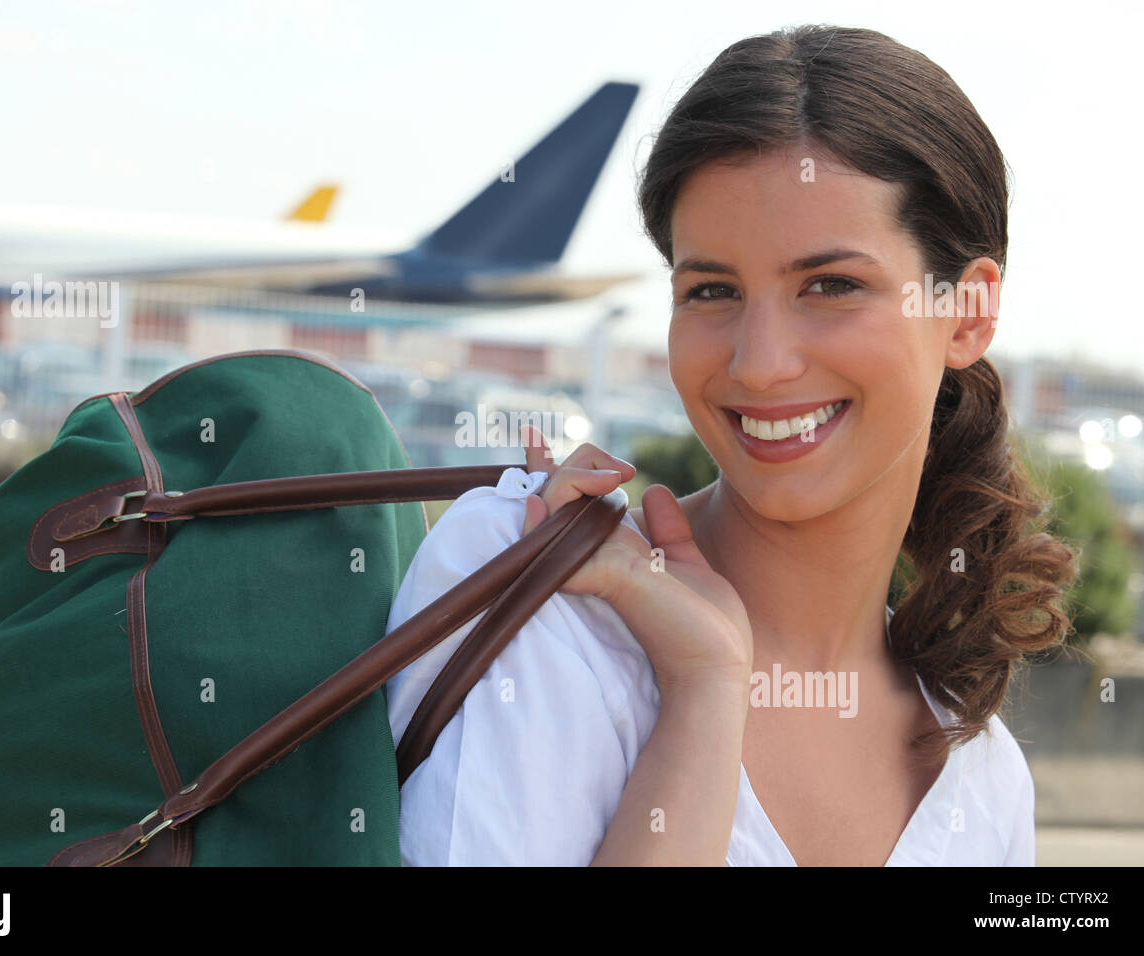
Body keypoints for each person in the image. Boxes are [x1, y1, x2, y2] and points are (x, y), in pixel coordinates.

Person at [383, 23, 1078, 866]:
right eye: (712, 290)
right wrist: (705, 693)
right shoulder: (536, 585)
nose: (760, 363)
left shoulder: (985, 783)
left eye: (831, 285)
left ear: (966, 313)